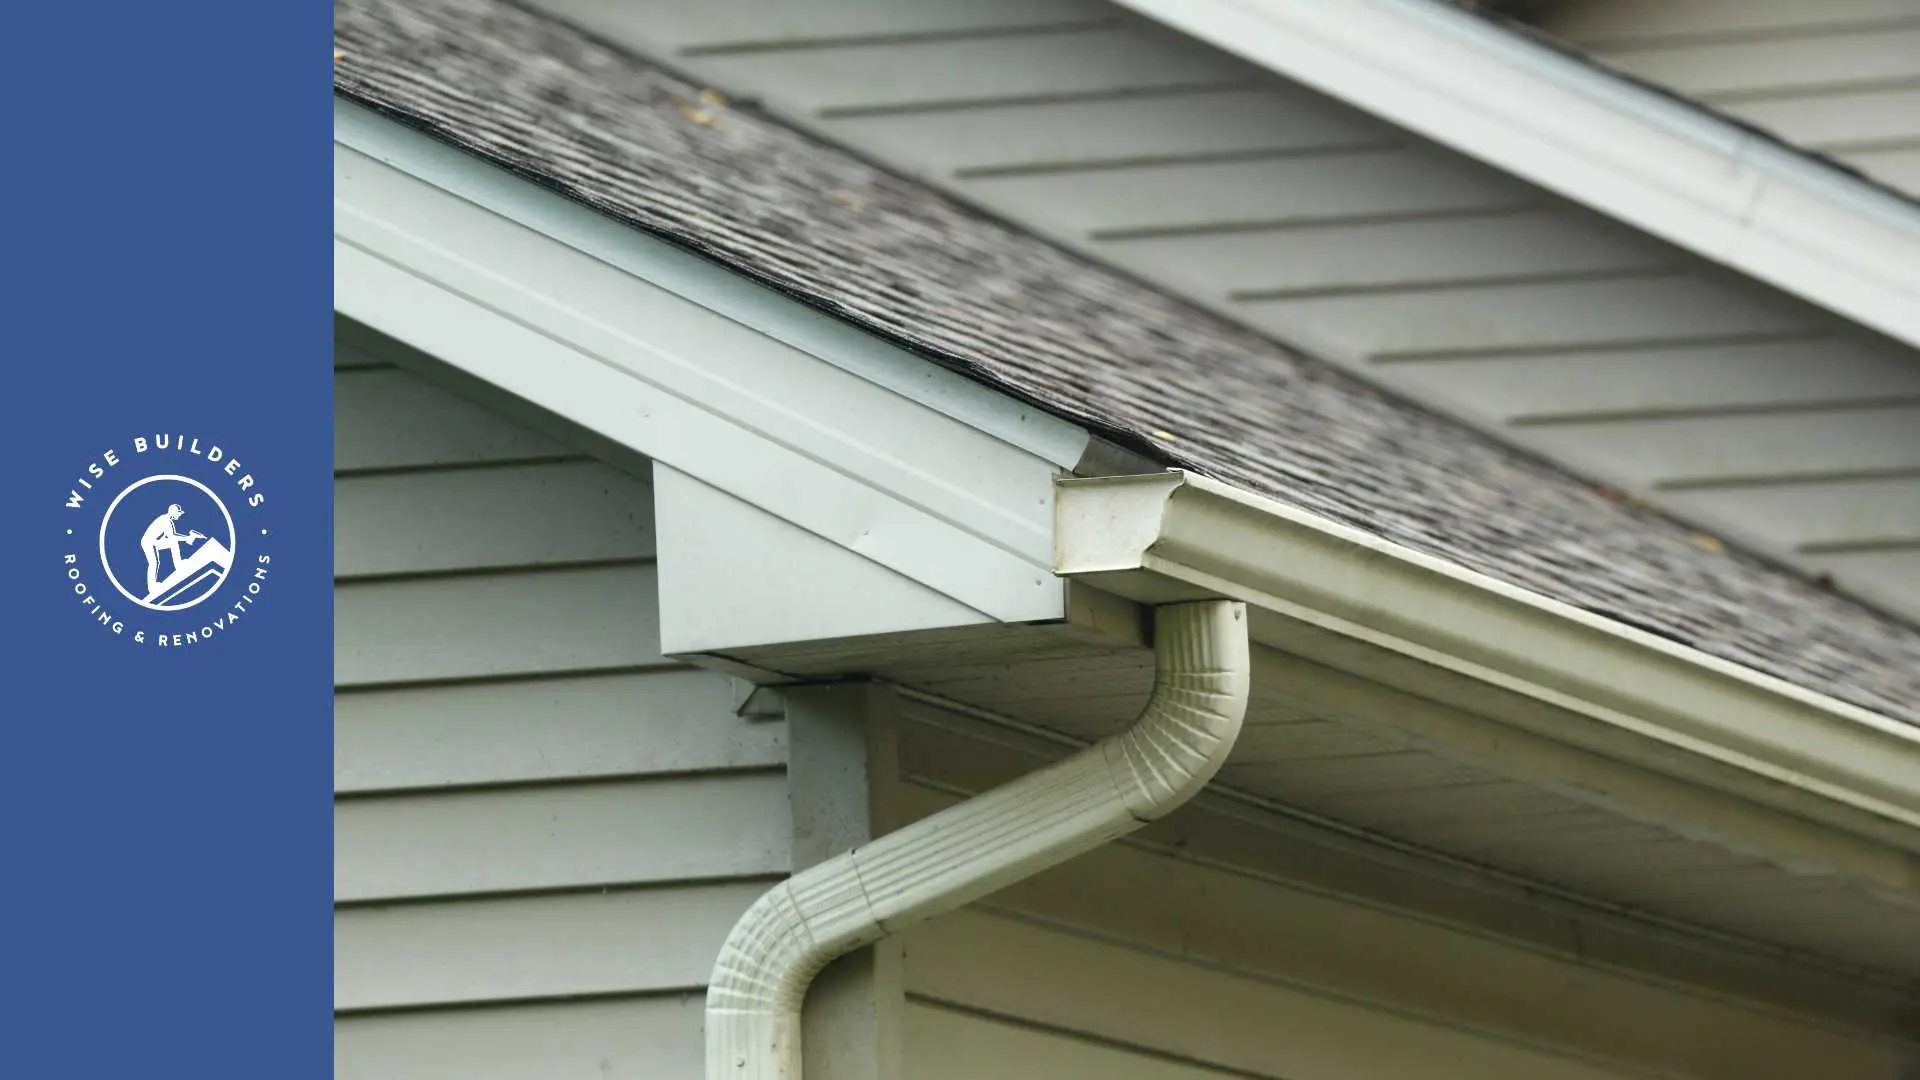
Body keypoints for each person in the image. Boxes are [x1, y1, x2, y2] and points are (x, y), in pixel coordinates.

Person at [141, 503, 206, 595]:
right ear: (173, 512)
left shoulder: (167, 520)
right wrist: (188, 538)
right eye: (178, 513)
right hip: (149, 542)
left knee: (173, 543)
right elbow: (172, 536)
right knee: (154, 562)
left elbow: (171, 537)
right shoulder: (165, 520)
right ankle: (152, 587)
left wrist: (188, 538)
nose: (180, 515)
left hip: (155, 541)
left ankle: (178, 564)